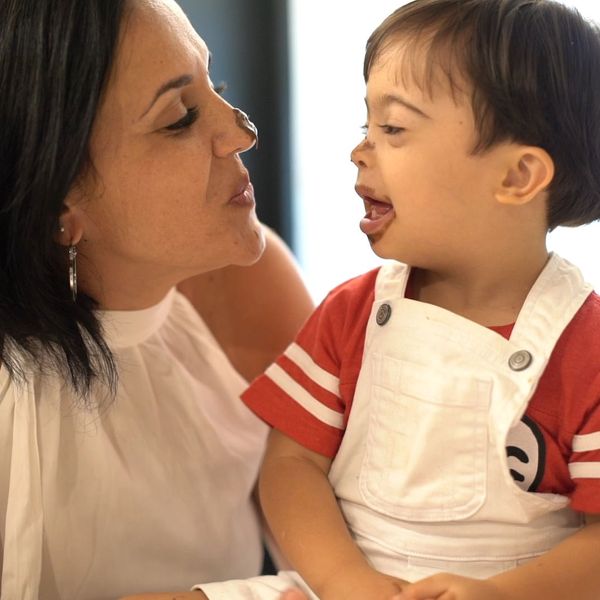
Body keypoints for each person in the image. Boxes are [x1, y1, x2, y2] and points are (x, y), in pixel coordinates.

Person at [167, 1, 600, 599]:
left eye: (393, 129)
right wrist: (348, 582)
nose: (360, 151)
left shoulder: (587, 348)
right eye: (364, 127)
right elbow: (289, 467)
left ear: (517, 176)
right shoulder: (353, 314)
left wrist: (501, 593)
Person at [0, 1, 314, 599]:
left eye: (214, 84)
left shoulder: (247, 285)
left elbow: (351, 550)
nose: (242, 131)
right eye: (178, 117)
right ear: (57, 206)